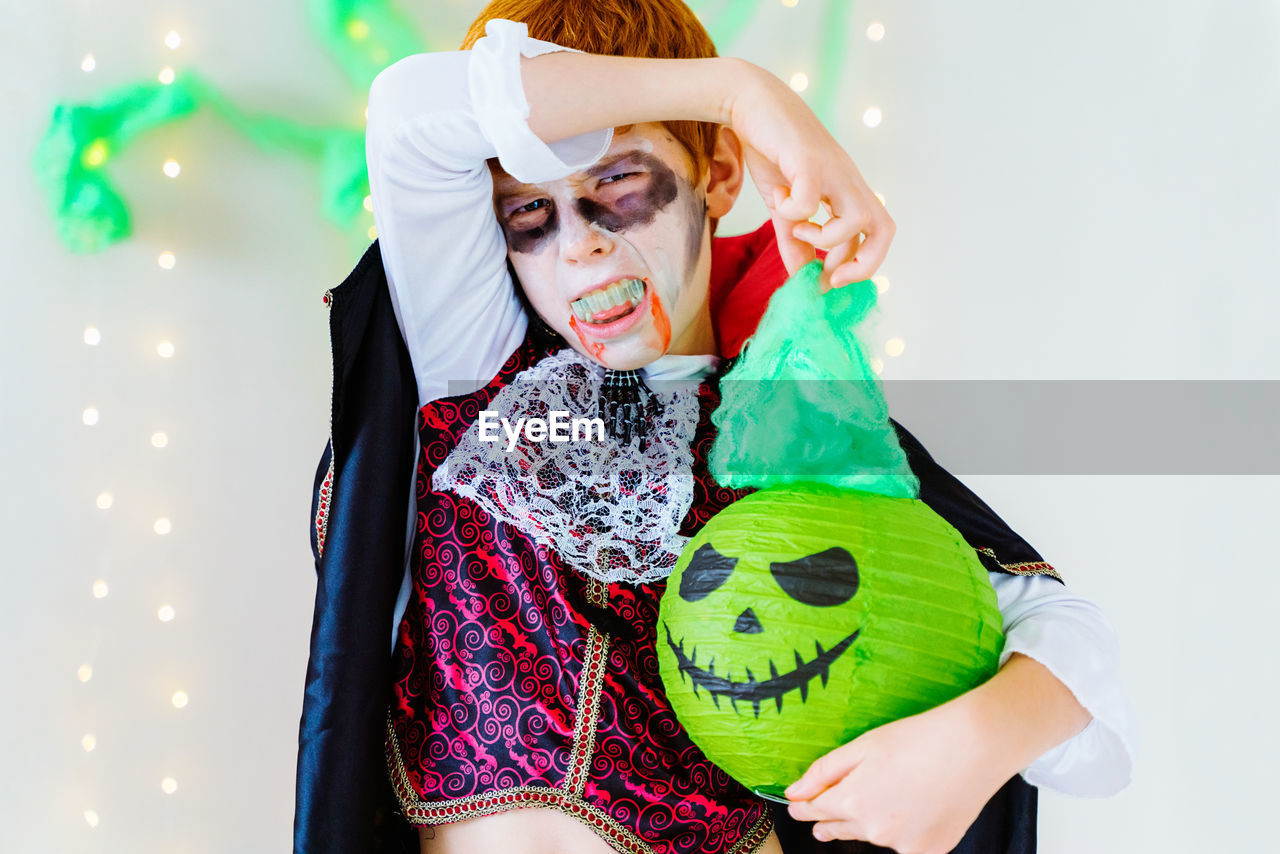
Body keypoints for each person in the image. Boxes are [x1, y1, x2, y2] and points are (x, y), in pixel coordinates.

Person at [295, 2, 1137, 852]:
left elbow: (1066, 643)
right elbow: (410, 112)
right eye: (527, 215)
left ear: (720, 175)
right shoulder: (471, 364)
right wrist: (737, 91)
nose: (577, 247)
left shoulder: (797, 442)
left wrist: (972, 739)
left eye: (617, 185)